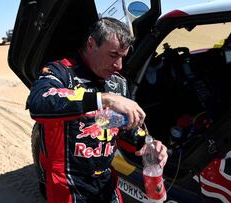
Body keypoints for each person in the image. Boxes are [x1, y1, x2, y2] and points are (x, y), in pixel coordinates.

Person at [27, 17, 168, 203]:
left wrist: (147, 144)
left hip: (105, 181)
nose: (119, 65)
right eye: (113, 55)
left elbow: (116, 126)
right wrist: (105, 100)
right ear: (91, 44)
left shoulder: (117, 83)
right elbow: (39, 103)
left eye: (122, 57)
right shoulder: (61, 72)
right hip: (68, 184)